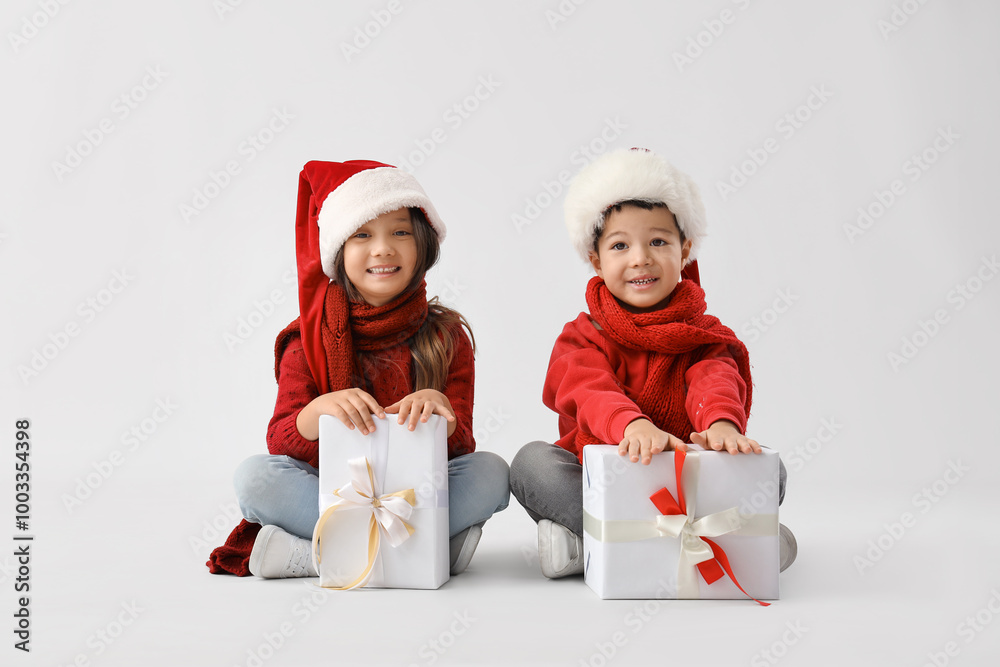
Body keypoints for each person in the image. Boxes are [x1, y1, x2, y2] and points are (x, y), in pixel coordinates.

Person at [208, 160, 510, 578]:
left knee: (492, 472)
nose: (383, 248)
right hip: (334, 492)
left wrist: (437, 407)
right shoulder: (307, 340)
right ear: (337, 251)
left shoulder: (447, 336)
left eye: (400, 232)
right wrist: (318, 412)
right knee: (255, 478)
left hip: (415, 490)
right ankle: (421, 550)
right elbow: (280, 440)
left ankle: (319, 555)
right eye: (362, 235)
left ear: (423, 243)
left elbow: (460, 448)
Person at [509, 148, 795, 578]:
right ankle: (705, 542)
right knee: (532, 464)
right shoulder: (584, 334)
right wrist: (631, 425)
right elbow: (587, 389)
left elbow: (714, 376)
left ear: (685, 251)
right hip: (603, 474)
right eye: (620, 245)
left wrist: (720, 425)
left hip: (683, 478)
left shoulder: (701, 332)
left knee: (770, 470)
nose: (640, 257)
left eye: (658, 242)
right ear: (596, 260)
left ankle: (594, 544)